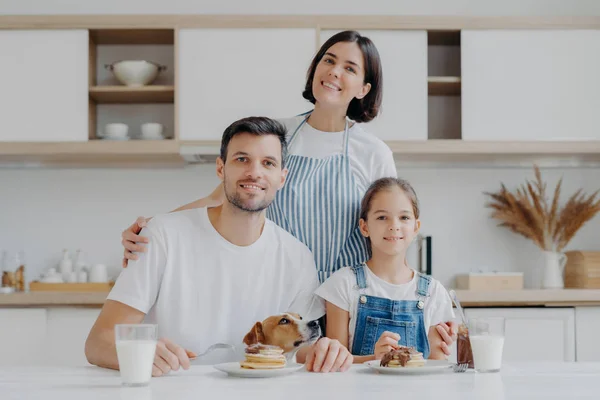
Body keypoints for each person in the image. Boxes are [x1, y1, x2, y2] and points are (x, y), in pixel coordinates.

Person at [120, 30, 456, 356]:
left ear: (364, 88)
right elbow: (220, 196)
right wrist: (150, 227)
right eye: (329, 60)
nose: (334, 72)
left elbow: (388, 232)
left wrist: (412, 300)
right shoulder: (280, 134)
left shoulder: (373, 152)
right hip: (285, 304)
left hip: (348, 306)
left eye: (350, 68)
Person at [85, 117, 353, 377]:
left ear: (282, 177)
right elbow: (98, 343)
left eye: (268, 163)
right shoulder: (163, 236)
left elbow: (302, 350)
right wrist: (140, 353)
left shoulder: (298, 258)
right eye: (242, 159)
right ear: (220, 168)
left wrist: (327, 350)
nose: (255, 172)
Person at [315, 178, 456, 362]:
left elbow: (436, 368)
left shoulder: (433, 292)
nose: (394, 225)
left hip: (418, 391)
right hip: (356, 391)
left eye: (404, 217)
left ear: (416, 227)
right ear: (364, 227)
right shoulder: (343, 283)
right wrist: (375, 358)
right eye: (382, 217)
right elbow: (335, 362)